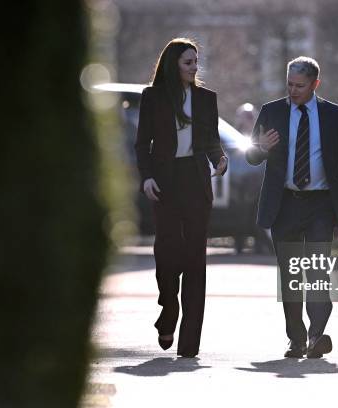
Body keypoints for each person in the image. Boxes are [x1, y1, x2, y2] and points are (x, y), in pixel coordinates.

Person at [245, 56, 338, 358]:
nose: (293, 91)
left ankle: (316, 335)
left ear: (315, 84)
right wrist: (262, 148)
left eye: (300, 86)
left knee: (318, 272)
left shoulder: (335, 115)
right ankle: (296, 339)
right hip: (284, 204)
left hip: (321, 204)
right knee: (292, 275)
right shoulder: (272, 112)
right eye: (289, 85)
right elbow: (251, 157)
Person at [134, 38, 228, 358]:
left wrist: (220, 159)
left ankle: (189, 345)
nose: (194, 67)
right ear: (173, 64)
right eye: (188, 62)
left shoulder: (206, 99)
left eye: (196, 62)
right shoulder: (153, 97)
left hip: (196, 181)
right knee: (167, 254)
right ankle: (168, 308)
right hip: (164, 182)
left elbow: (211, 141)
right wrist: (146, 177)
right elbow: (141, 144)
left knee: (195, 261)